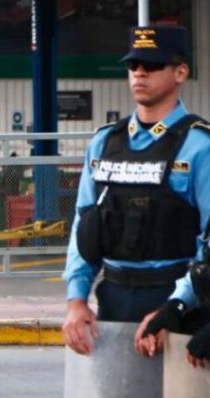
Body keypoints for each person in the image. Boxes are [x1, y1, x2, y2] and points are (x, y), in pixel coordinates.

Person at [61, 26, 210, 360]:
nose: (140, 73)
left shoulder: (200, 146)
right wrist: (76, 299)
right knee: (112, 396)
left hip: (178, 303)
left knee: (176, 397)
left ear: (180, 72)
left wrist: (176, 305)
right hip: (113, 298)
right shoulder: (105, 142)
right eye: (133, 65)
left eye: (152, 65)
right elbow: (84, 226)